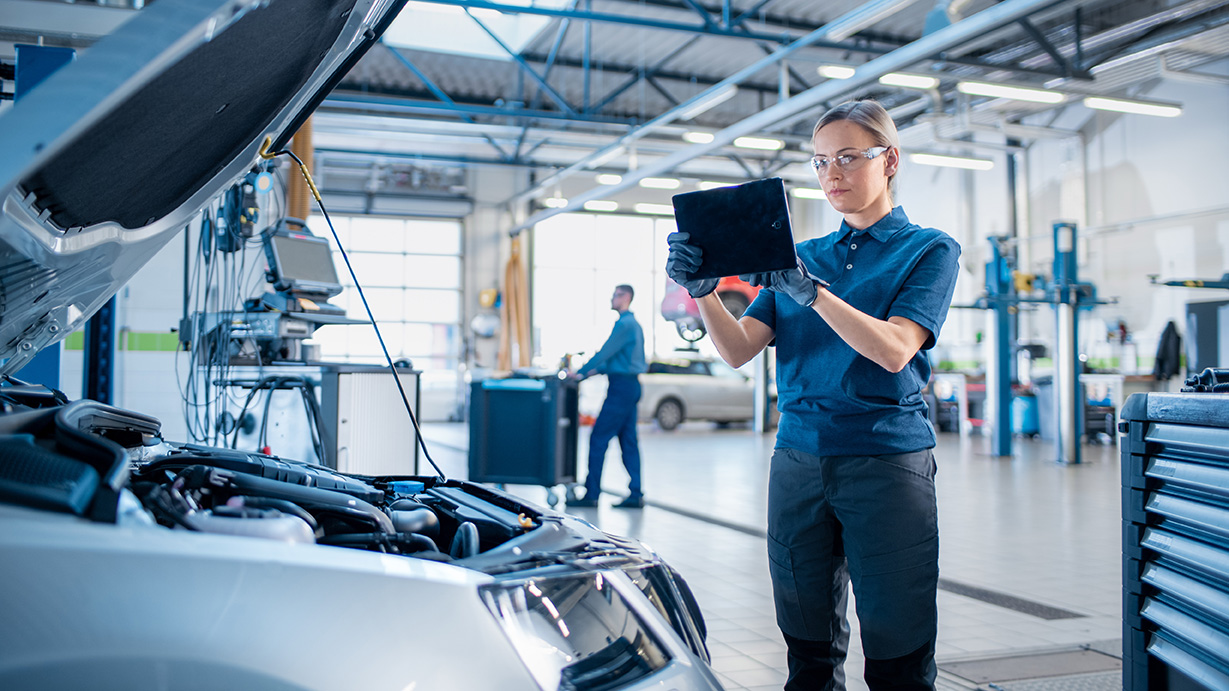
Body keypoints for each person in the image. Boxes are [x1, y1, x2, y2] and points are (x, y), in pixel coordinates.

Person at [665, 99, 960, 689]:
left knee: (897, 652)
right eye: (822, 162)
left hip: (886, 464)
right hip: (798, 461)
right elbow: (740, 347)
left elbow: (895, 349)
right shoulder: (798, 258)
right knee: (808, 651)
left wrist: (814, 295)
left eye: (849, 158)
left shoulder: (928, 250)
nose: (833, 175)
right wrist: (703, 294)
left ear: (890, 160)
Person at [568, 284, 648, 509]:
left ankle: (591, 494)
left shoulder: (625, 324)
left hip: (621, 389)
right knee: (629, 442)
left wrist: (581, 372)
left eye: (618, 294)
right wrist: (594, 371)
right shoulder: (633, 325)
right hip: (629, 386)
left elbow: (605, 352)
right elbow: (616, 360)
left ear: (628, 297)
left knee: (598, 438)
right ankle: (636, 494)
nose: (613, 298)